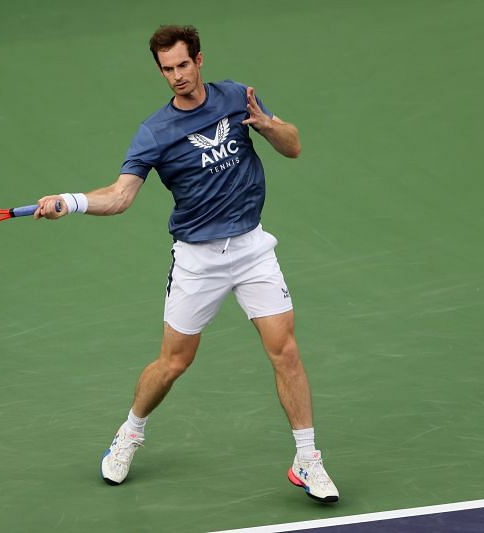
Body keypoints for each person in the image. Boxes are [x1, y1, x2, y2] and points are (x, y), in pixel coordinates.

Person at [34, 24, 339, 503]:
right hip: (198, 261)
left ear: (199, 60)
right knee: (174, 361)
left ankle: (308, 459)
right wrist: (71, 202)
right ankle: (131, 432)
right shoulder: (155, 132)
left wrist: (269, 126)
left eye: (182, 65)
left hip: (252, 248)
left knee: (286, 351)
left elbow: (294, 145)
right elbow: (119, 197)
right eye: (166, 69)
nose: (176, 76)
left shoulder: (239, 98)